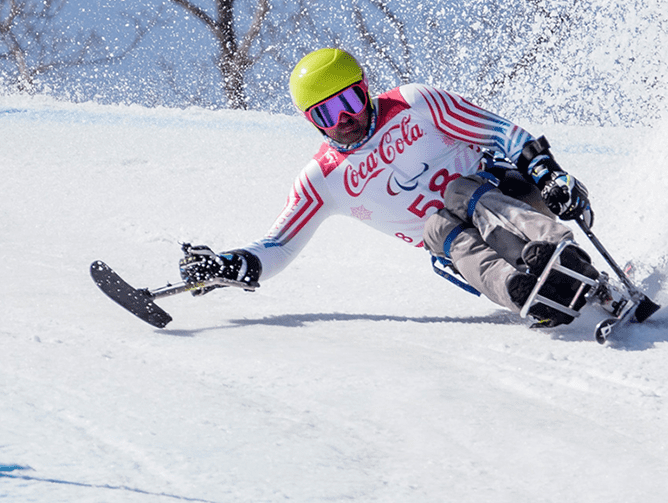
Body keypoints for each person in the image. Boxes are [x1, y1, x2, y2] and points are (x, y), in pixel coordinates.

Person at [179, 47, 601, 326]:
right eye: (326, 114)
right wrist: (226, 266)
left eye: (349, 102)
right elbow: (279, 245)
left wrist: (547, 173)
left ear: (365, 89)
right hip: (460, 245)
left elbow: (500, 132)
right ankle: (521, 291)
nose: (343, 119)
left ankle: (559, 252)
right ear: (311, 122)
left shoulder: (414, 104)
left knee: (457, 194)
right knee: (436, 229)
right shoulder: (324, 177)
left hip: (508, 194)